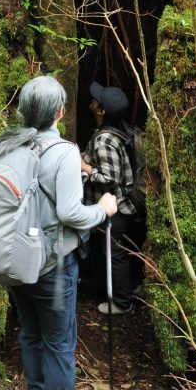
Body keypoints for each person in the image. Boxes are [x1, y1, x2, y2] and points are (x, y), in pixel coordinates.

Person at [0, 75, 118, 390]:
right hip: (52, 265)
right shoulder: (63, 152)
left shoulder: (7, 147)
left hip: (15, 260)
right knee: (60, 345)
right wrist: (103, 209)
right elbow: (70, 213)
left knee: (31, 334)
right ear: (60, 113)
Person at [82, 81, 147, 315]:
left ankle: (122, 302)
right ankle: (130, 288)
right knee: (121, 250)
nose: (91, 101)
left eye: (95, 100)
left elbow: (109, 177)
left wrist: (84, 167)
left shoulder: (104, 140)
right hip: (124, 206)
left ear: (101, 111)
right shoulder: (120, 130)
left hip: (115, 209)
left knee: (115, 254)